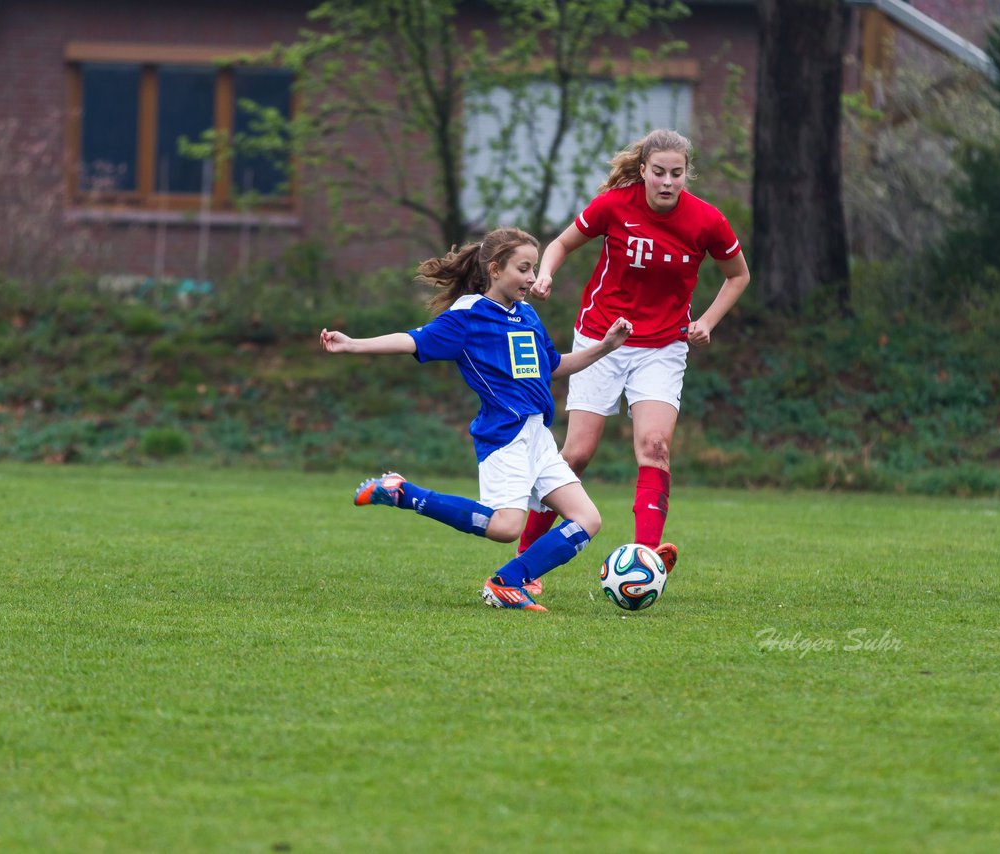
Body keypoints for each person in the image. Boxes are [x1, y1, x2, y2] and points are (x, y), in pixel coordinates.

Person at [320, 227, 633, 612]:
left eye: (534, 268)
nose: (532, 278)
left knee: (587, 519)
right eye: (524, 268)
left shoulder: (528, 316)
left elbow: (553, 366)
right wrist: (353, 344)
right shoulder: (467, 315)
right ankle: (403, 492)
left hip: (539, 436)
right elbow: (412, 340)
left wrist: (606, 347)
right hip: (504, 435)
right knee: (505, 528)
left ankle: (508, 582)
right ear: (496, 269)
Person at [516, 129, 750, 580]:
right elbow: (562, 243)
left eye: (676, 174)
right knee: (578, 454)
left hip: (663, 346)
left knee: (656, 447)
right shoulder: (615, 206)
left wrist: (706, 322)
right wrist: (544, 275)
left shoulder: (707, 221)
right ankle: (527, 560)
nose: (667, 182)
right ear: (642, 170)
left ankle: (646, 558)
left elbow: (737, 276)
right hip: (602, 339)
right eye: (658, 172)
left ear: (687, 175)